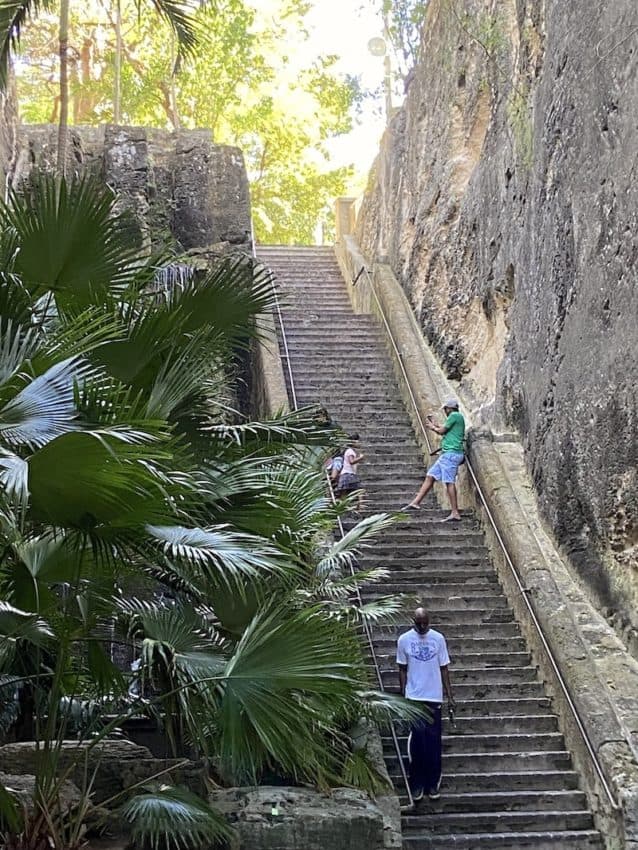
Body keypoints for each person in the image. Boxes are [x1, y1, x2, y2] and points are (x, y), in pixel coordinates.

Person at [397, 608, 454, 802]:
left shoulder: (438, 639)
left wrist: (449, 695)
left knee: (433, 743)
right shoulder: (404, 640)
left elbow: (444, 668)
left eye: (425, 623)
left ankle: (432, 783)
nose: (422, 626)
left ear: (429, 621)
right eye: (418, 623)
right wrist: (403, 694)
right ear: (413, 620)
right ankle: (417, 783)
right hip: (414, 697)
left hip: (434, 697)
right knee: (417, 743)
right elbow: (402, 669)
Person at [401, 398, 465, 521]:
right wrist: (435, 424)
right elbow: (445, 429)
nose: (445, 412)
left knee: (449, 482)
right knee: (430, 476)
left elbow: (442, 431)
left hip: (451, 454)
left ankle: (455, 512)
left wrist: (432, 427)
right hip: (447, 454)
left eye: (446, 409)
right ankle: (416, 502)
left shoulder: (455, 415)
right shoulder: (457, 418)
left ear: (450, 408)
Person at [335, 434, 365, 510]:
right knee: (359, 490)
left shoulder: (349, 451)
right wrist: (360, 458)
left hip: (346, 474)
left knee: (344, 492)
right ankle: (360, 506)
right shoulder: (350, 451)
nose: (359, 443)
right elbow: (351, 461)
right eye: (358, 442)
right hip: (348, 474)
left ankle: (342, 507)